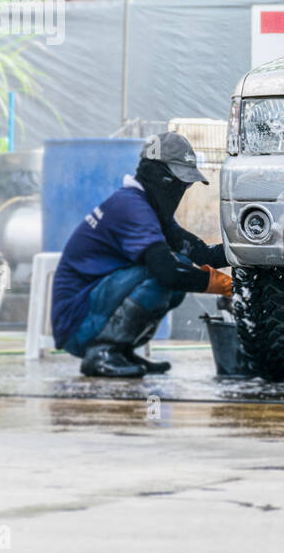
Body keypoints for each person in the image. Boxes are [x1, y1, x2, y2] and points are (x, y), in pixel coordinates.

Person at [50, 133, 233, 378]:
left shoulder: (148, 208)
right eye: (182, 183)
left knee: (180, 272)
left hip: (90, 310)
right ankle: (103, 352)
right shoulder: (132, 208)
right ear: (162, 178)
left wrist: (249, 251)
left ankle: (121, 350)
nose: (183, 190)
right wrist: (222, 285)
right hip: (77, 322)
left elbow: (203, 254)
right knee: (168, 274)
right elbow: (167, 272)